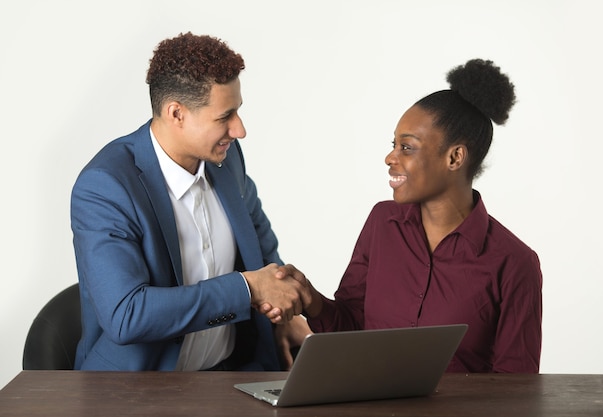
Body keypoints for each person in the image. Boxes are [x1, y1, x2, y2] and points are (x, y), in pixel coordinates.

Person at [271, 59, 543, 373]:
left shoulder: (514, 263)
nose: (390, 158)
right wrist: (311, 300)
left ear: (455, 157)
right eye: (393, 145)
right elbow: (352, 330)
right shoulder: (382, 222)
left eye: (406, 147)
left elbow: (517, 387)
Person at [70, 32, 306, 372]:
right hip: (134, 392)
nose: (239, 130)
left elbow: (260, 243)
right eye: (225, 116)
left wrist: (281, 314)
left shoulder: (227, 158)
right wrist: (247, 289)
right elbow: (126, 315)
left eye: (237, 112)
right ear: (176, 113)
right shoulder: (105, 187)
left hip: (228, 377)